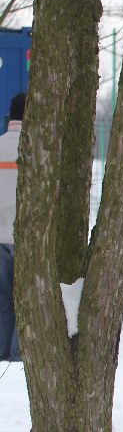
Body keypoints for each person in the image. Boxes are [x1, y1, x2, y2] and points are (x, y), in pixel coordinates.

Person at [0, 93, 23, 362]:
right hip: (24, 238)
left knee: (3, 299)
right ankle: (18, 351)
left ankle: (2, 348)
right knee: (23, 300)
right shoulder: (37, 150)